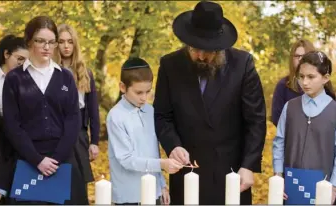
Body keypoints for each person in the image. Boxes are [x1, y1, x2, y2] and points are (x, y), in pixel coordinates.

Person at [153, 1, 266, 204]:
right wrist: (173, 146)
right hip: (186, 171)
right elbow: (162, 115)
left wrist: (248, 165)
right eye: (196, 49)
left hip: (230, 172)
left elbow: (255, 121)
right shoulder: (170, 65)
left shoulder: (243, 64)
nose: (202, 56)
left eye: (209, 50)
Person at [2, 16, 88, 204]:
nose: (46, 47)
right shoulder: (14, 79)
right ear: (29, 41)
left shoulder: (65, 77)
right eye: (40, 41)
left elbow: (73, 119)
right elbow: (11, 124)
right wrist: (37, 160)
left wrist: (56, 159)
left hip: (63, 159)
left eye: (51, 42)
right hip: (28, 160)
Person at [272, 51, 336, 204]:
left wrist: (334, 188)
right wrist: (278, 176)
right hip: (290, 189)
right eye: (301, 77)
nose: (305, 82)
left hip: (323, 191)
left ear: (325, 78)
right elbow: (279, 142)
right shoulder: (290, 107)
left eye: (311, 77)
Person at [107, 57, 182, 205]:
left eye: (148, 92)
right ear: (123, 87)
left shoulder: (150, 111)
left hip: (153, 192)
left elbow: (154, 151)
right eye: (139, 92)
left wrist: (162, 185)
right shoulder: (115, 116)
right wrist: (162, 164)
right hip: (129, 195)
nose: (144, 98)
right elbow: (126, 159)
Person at [53, 24, 100, 190]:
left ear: (75, 44)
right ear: (56, 44)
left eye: (70, 42)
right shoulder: (50, 71)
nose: (66, 46)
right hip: (56, 131)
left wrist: (94, 141)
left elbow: (93, 110)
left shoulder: (85, 73)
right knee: (58, 184)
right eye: (62, 41)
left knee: (79, 184)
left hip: (79, 132)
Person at [271, 39, 315, 126]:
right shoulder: (283, 85)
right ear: (292, 59)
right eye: (297, 56)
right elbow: (277, 118)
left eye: (305, 56)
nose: (301, 59)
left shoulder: (322, 84)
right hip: (291, 137)